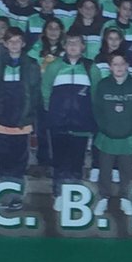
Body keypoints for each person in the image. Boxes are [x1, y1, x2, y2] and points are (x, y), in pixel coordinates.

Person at [0, 27, 43, 210]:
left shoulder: (32, 65)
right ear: (4, 43)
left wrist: (28, 117)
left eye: (18, 41)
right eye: (10, 41)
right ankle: (4, 194)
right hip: (1, 120)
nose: (14, 45)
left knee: (19, 160)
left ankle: (16, 196)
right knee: (3, 159)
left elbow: (35, 94)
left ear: (24, 44)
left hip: (21, 121)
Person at [42, 31, 96, 211]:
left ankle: (73, 195)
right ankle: (58, 193)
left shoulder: (91, 68)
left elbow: (96, 95)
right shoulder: (54, 66)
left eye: (77, 42)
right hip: (58, 123)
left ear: (83, 47)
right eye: (69, 42)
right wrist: (54, 112)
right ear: (64, 46)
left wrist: (90, 116)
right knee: (59, 161)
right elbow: (45, 91)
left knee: (77, 162)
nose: (73, 45)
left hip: (81, 123)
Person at [90, 50, 132, 216]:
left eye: (122, 64)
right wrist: (104, 127)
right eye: (115, 64)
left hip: (127, 136)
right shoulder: (103, 84)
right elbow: (97, 109)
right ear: (110, 67)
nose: (119, 67)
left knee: (126, 170)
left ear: (127, 66)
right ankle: (104, 197)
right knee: (105, 170)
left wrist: (130, 128)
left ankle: (125, 198)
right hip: (107, 135)